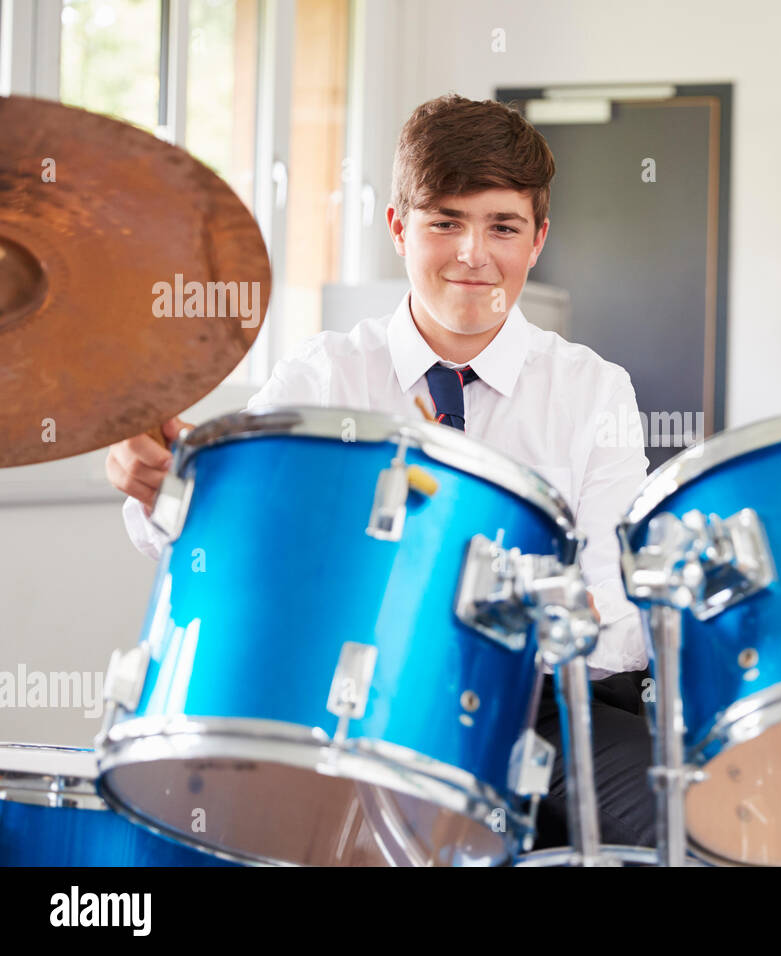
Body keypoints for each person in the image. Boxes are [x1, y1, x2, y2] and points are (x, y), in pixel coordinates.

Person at [105, 94, 656, 852]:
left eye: (502, 226)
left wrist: (514, 612)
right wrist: (161, 483)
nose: (473, 253)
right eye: (445, 222)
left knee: (685, 821)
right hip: (332, 696)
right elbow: (210, 534)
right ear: (399, 227)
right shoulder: (325, 374)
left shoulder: (595, 390)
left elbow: (624, 624)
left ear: (538, 242)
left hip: (536, 707)